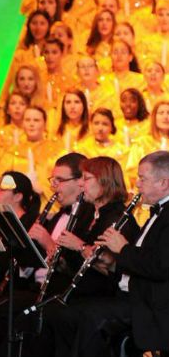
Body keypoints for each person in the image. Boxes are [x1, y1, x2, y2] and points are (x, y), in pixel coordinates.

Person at [50, 150, 169, 356]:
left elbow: (160, 266)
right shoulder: (156, 213)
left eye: (142, 179)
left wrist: (122, 248)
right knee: (66, 315)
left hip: (149, 304)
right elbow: (134, 264)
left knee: (88, 318)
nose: (138, 185)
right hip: (129, 296)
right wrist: (109, 260)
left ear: (164, 183)